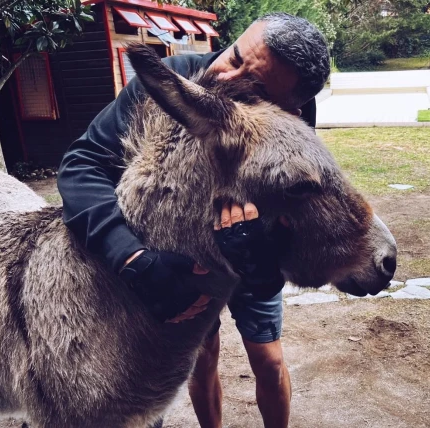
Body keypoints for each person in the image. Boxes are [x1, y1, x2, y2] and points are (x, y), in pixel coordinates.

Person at [57, 12, 330, 428]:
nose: (223, 77)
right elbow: (81, 165)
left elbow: (298, 203)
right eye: (234, 56)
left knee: (268, 358)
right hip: (179, 264)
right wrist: (131, 258)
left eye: (252, 85)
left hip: (247, 249)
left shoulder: (296, 118)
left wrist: (265, 260)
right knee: (201, 361)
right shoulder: (168, 84)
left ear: (290, 106)